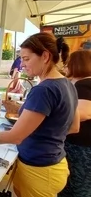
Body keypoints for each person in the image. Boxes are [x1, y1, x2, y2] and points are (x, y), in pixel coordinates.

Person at [0, 32, 80, 197]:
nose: (22, 64)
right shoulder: (67, 84)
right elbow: (73, 127)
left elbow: (15, 137)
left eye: (26, 59)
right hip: (56, 165)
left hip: (38, 170)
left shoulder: (43, 90)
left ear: (45, 56)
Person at [59, 50, 91, 197]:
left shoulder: (83, 86)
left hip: (80, 147)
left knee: (76, 187)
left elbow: (83, 114)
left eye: (68, 64)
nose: (65, 67)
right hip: (82, 145)